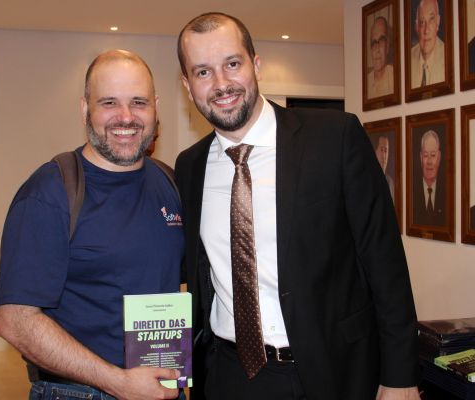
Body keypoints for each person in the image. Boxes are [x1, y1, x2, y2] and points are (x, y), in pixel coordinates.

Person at [175, 12, 420, 400]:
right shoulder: (189, 166)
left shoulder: (335, 137)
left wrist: (400, 377)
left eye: (232, 64)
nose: (221, 84)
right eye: (203, 72)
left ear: (256, 65)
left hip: (331, 372)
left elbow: (385, 264)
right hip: (228, 375)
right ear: (188, 87)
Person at [0, 49, 184, 400]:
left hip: (162, 386)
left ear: (156, 108)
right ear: (85, 109)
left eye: (138, 102)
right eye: (109, 102)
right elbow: (15, 320)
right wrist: (117, 382)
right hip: (80, 392)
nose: (126, 117)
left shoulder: (169, 182)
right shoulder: (50, 192)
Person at [413, 129, 445, 226]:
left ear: (439, 157)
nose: (429, 162)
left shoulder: (447, 192)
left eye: (433, 155)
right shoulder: (411, 192)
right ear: (420, 157)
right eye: (426, 155)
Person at [410, 0, 445, 88]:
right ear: (416, 27)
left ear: (438, 22)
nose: (426, 30)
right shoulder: (408, 59)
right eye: (422, 22)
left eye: (431, 20)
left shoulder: (448, 56)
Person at [367, 16, 394, 98]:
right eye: (374, 43)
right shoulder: (366, 82)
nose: (377, 49)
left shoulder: (394, 77)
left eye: (381, 41)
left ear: (387, 46)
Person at [374, 134, 395, 203]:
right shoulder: (369, 180)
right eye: (381, 150)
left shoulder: (390, 183)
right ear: (375, 152)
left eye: (386, 151)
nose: (384, 156)